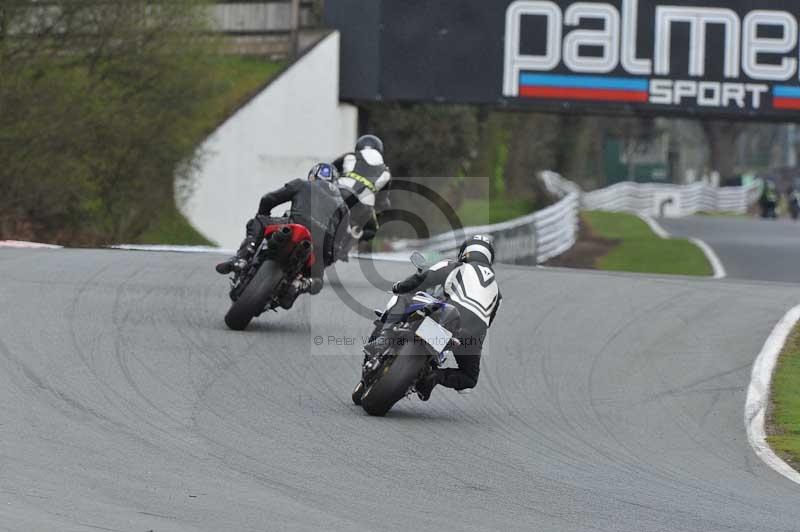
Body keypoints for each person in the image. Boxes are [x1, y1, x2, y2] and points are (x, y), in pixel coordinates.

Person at [354, 235, 502, 403]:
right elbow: (488, 322)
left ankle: (384, 337)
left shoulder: (457, 266)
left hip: (446, 315)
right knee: (469, 378)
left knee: (403, 297)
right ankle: (433, 377)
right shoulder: (497, 291)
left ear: (464, 253)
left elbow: (424, 278)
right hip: (469, 335)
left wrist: (399, 286)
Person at [215, 163, 350, 307]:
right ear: (335, 183)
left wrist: (263, 214)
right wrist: (324, 260)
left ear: (312, 176)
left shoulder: (302, 184)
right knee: (318, 280)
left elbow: (269, 199)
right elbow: (337, 246)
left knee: (258, 221)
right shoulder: (343, 207)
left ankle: (242, 258)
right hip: (321, 243)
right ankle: (300, 284)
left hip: (295, 224)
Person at [333, 134, 391, 245]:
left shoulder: (349, 156)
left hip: (339, 192)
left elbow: (329, 170)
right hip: (364, 204)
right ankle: (355, 234)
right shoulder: (386, 172)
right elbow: (382, 202)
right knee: (371, 231)